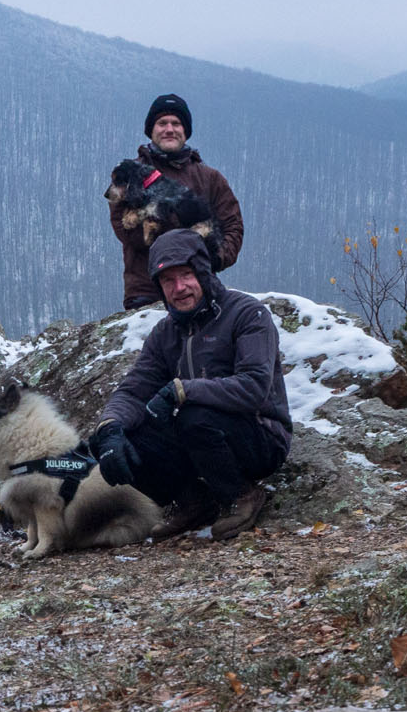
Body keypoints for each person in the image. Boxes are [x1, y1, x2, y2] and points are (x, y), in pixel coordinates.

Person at [90, 228, 290, 541]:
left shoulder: (246, 314)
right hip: (201, 440)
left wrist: (183, 390)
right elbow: (134, 390)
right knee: (125, 437)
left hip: (259, 436)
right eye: (168, 280)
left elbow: (253, 387)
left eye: (186, 275)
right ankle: (192, 501)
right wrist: (109, 428)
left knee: (194, 414)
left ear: (203, 272)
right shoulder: (165, 333)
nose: (179, 288)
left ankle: (240, 495)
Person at [111, 94, 244, 311]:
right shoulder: (124, 173)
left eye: (176, 123)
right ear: (151, 130)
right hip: (146, 291)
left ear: (186, 131)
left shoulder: (212, 178)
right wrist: (182, 238)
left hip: (199, 287)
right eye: (162, 123)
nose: (169, 129)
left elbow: (233, 227)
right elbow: (121, 226)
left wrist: (213, 258)